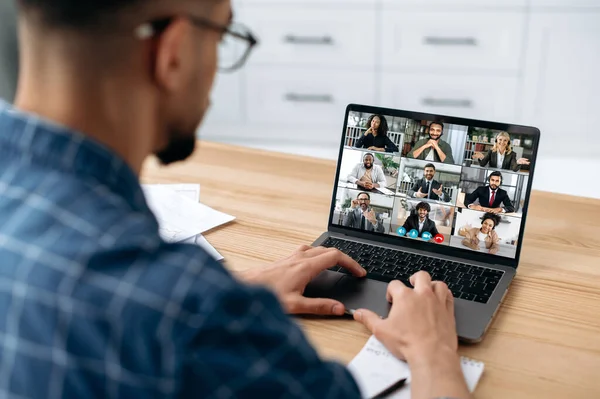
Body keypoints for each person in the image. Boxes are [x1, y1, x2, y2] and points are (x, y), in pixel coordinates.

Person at [0, 0, 471, 398]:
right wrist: (432, 352)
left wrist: (237, 288)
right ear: (176, 52)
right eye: (223, 35)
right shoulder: (193, 313)